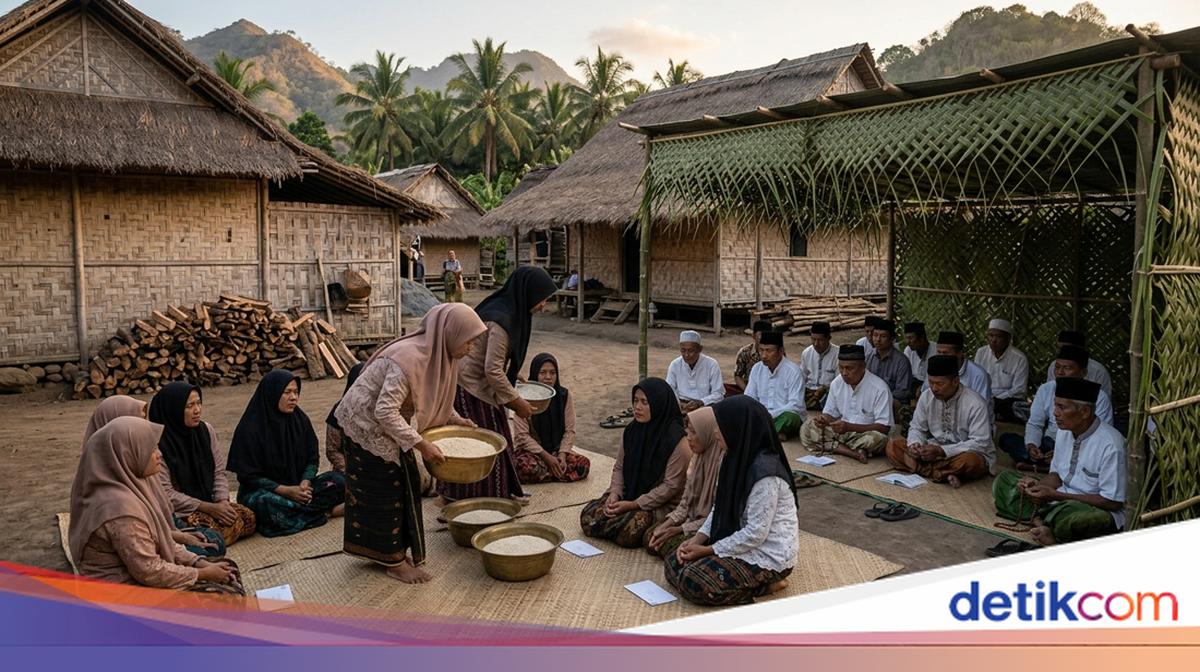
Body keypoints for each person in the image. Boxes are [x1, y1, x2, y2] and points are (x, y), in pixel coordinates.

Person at [335, 303, 486, 583]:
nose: (472, 348)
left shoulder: (439, 356)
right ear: (451, 334)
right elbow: (384, 411)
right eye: (469, 341)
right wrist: (421, 444)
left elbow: (432, 397)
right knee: (388, 488)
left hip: (389, 422)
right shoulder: (408, 359)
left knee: (401, 483)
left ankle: (389, 552)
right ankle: (393, 561)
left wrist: (457, 419)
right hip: (365, 424)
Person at [71, 416, 242, 594]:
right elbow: (148, 570)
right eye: (151, 449)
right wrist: (202, 573)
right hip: (120, 591)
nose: (159, 454)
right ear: (129, 454)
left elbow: (160, 538)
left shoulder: (134, 487)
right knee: (225, 597)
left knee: (228, 569)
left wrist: (198, 562)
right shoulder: (120, 511)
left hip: (141, 572)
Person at [665, 396, 798, 607]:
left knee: (694, 582)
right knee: (674, 561)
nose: (716, 432)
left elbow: (755, 534)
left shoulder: (766, 475)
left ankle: (768, 585)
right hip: (736, 538)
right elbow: (719, 507)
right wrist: (697, 540)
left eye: (721, 427)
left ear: (738, 428)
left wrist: (708, 550)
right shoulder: (731, 457)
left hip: (766, 554)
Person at [442, 266, 558, 502]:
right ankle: (465, 501)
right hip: (470, 387)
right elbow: (492, 370)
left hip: (474, 382)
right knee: (485, 442)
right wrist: (518, 403)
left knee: (497, 436)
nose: (543, 305)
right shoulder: (502, 322)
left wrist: (516, 379)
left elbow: (493, 361)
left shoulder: (503, 308)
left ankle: (500, 493)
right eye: (542, 299)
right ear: (529, 293)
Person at [992, 378, 1125, 546]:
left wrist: (1056, 495)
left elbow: (1112, 501)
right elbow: (1056, 475)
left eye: (1061, 407)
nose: (1055, 413)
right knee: (1004, 482)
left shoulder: (1112, 445)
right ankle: (1043, 523)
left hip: (1093, 509)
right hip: (1059, 499)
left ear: (1084, 412)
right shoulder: (1065, 431)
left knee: (1078, 519)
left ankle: (1043, 522)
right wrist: (1037, 486)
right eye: (1055, 405)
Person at [226, 370, 346, 537]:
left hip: (300, 489)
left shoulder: (300, 420)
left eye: (296, 392)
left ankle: (304, 513)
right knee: (264, 504)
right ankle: (324, 512)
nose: (293, 398)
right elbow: (248, 476)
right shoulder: (251, 428)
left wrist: (305, 481)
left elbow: (312, 459)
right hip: (266, 492)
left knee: (337, 480)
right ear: (272, 393)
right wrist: (285, 491)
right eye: (287, 392)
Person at [580, 378, 690, 548]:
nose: (637, 407)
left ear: (658, 404)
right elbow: (619, 467)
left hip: (659, 505)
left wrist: (633, 504)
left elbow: (670, 487)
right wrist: (615, 493)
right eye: (635, 401)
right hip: (629, 494)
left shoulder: (678, 442)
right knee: (589, 516)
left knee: (630, 531)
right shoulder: (631, 431)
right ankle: (614, 521)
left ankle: (616, 524)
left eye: (645, 402)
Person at [149, 382, 256, 550]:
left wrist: (222, 502)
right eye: (189, 406)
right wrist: (209, 508)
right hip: (182, 510)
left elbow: (218, 471)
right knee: (210, 535)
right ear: (173, 410)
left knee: (248, 518)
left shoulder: (206, 430)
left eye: (199, 403)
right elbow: (167, 493)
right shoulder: (159, 443)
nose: (197, 410)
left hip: (210, 500)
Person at [999, 344, 1114, 472]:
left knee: (1090, 458)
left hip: (1083, 447)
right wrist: (1032, 446)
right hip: (1050, 443)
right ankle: (1046, 463)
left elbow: (1101, 435)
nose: (1060, 372)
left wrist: (1063, 452)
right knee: (1007, 440)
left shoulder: (1099, 397)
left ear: (1083, 372)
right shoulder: (1046, 389)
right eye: (1057, 367)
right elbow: (1035, 423)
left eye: (1067, 368)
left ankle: (1044, 466)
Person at [885, 355, 993, 488]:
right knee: (893, 446)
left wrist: (942, 451)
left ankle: (927, 470)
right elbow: (917, 427)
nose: (934, 388)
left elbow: (980, 443)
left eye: (939, 384)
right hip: (932, 452)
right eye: (931, 382)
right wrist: (915, 444)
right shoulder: (927, 396)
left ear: (955, 381)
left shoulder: (975, 403)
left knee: (971, 462)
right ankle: (943, 474)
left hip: (960, 453)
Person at [645, 406, 724, 559]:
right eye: (687, 431)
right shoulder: (697, 459)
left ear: (707, 433)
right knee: (651, 537)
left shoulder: (723, 465)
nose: (688, 437)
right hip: (692, 520)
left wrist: (679, 529)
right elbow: (685, 503)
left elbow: (716, 517)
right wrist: (668, 524)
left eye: (694, 432)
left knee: (672, 549)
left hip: (710, 529)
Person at [799, 345, 892, 463]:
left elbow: (884, 427)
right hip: (841, 433)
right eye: (841, 368)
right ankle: (852, 453)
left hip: (864, 434)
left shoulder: (880, 388)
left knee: (879, 439)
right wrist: (823, 420)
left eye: (849, 368)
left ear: (863, 366)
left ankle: (836, 447)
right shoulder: (836, 383)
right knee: (807, 428)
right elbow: (830, 414)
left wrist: (849, 427)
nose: (844, 373)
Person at [512, 353, 591, 483]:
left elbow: (569, 430)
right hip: (533, 453)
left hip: (556, 451)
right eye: (543, 372)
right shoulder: (524, 397)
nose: (548, 377)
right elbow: (522, 436)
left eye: (552, 373)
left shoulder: (565, 396)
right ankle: (556, 472)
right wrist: (546, 457)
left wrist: (562, 455)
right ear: (535, 373)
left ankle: (550, 472)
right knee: (523, 467)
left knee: (583, 465)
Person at [743, 330, 806, 442]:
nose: (763, 355)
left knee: (790, 418)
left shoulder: (793, 371)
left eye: (768, 351)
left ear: (781, 351)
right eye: (761, 350)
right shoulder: (757, 368)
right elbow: (749, 396)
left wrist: (771, 415)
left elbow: (795, 404)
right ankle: (775, 434)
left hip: (783, 415)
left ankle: (762, 434)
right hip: (762, 415)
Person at [923, 331, 993, 424]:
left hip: (972, 425)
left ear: (960, 353)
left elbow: (982, 410)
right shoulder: (936, 369)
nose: (941, 357)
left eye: (946, 353)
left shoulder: (979, 375)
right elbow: (926, 398)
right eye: (939, 352)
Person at [973, 318, 1029, 422]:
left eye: (998, 336)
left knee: (1011, 407)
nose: (993, 340)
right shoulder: (981, 353)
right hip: (984, 397)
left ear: (1008, 338)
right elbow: (976, 380)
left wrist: (995, 399)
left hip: (1006, 401)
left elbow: (1019, 390)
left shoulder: (1019, 358)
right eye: (991, 335)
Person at [666, 330, 724, 413]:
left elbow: (718, 394)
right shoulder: (675, 364)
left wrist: (701, 402)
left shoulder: (711, 364)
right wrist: (679, 404)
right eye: (683, 350)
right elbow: (669, 390)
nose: (686, 355)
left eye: (690, 351)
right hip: (681, 406)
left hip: (704, 406)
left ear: (700, 349)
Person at [1044, 330, 1113, 398]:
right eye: (1058, 348)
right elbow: (1049, 395)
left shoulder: (1099, 371)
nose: (1060, 352)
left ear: (1083, 372)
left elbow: (1103, 401)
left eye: (1065, 348)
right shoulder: (1054, 366)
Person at [866, 319, 914, 415]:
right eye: (875, 335)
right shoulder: (868, 357)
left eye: (883, 336)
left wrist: (880, 397)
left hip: (893, 401)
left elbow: (903, 391)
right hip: (870, 399)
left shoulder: (902, 361)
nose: (878, 339)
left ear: (892, 339)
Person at [325, 362, 364, 474]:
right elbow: (332, 450)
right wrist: (351, 473)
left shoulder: (383, 410)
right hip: (350, 471)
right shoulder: (340, 411)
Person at [800, 321, 839, 410]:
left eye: (820, 340)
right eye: (813, 339)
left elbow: (839, 381)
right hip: (810, 392)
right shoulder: (806, 353)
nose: (816, 344)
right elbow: (802, 377)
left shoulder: (837, 354)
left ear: (829, 338)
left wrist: (825, 388)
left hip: (828, 392)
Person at [733, 321, 772, 393]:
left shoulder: (776, 353)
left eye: (767, 335)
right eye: (760, 335)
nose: (764, 338)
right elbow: (738, 376)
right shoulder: (745, 352)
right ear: (753, 336)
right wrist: (748, 391)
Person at [903, 322, 937, 396]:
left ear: (922, 338)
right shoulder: (908, 350)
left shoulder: (936, 350)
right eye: (906, 338)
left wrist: (922, 388)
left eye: (911, 338)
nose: (908, 342)